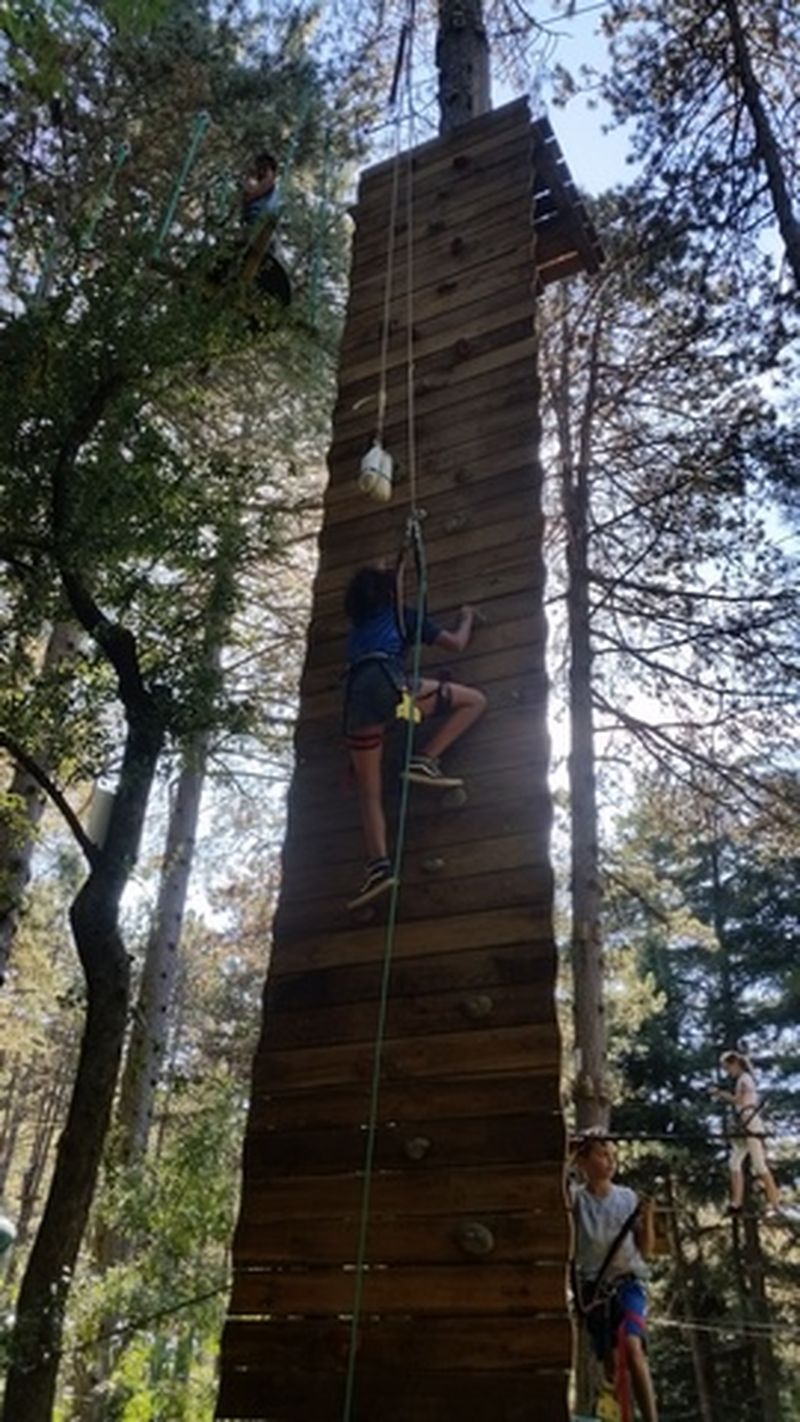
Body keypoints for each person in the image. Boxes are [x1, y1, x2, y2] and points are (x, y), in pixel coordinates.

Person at [343, 560, 486, 910]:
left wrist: (395, 567)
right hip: (392, 690)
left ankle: (379, 867)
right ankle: (425, 759)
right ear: (390, 593)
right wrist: (467, 617)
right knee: (474, 701)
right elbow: (456, 644)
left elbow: (392, 582)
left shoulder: (357, 628)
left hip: (357, 702)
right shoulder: (403, 616)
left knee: (369, 794)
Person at [571, 1132, 659, 1422]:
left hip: (628, 1283)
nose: (610, 1162)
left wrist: (648, 1217)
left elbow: (645, 1250)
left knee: (633, 1348)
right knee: (612, 1365)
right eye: (602, 1155)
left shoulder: (627, 1197)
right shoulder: (575, 1200)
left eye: (613, 1155)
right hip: (594, 1291)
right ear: (583, 1162)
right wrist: (570, 1153)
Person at [710, 1050, 782, 1216]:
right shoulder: (743, 1079)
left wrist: (719, 1093)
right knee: (734, 1162)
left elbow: (739, 1100)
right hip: (744, 1123)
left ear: (735, 1064)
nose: (728, 1072)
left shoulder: (745, 1079)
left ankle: (775, 1204)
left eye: (728, 1068)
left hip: (750, 1122)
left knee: (759, 1165)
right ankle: (736, 1203)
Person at [241, 150, 280, 228]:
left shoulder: (269, 179)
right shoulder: (261, 180)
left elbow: (250, 196)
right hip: (254, 216)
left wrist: (249, 179)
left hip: (260, 215)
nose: (259, 170)